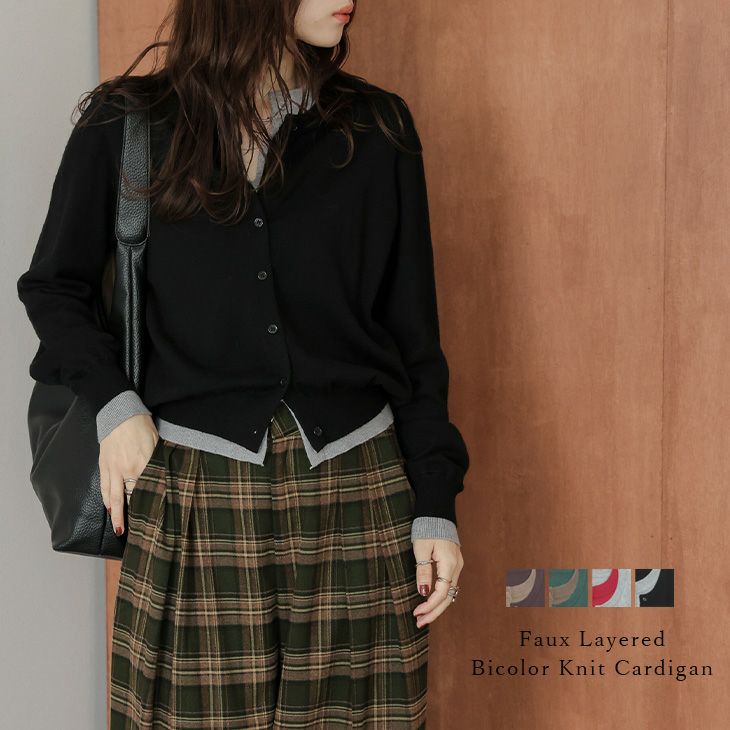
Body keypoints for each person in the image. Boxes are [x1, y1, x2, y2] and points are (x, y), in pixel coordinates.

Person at [16, 0, 470, 726]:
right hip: (192, 492)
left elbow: (414, 338)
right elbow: (54, 287)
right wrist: (115, 406)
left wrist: (436, 507)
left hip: (358, 491)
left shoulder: (378, 128)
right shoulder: (127, 123)